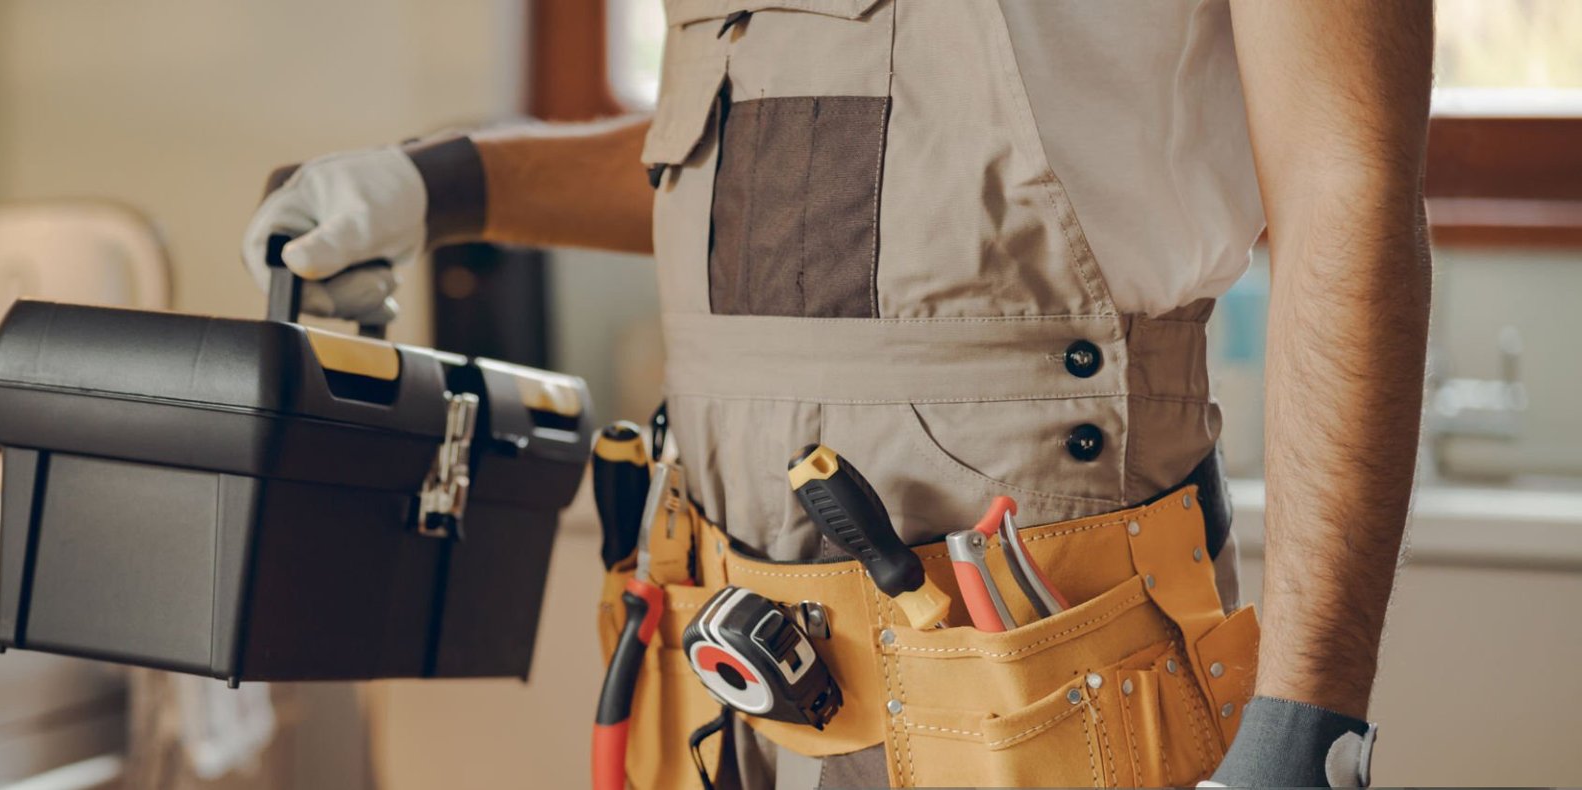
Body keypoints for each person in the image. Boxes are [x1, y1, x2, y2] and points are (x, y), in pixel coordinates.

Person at [240, 1, 1433, 786]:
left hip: (1041, 688)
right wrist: (438, 182)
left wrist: (1304, 726)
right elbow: (744, 171)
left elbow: (1350, 187)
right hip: (722, 689)